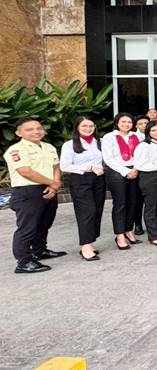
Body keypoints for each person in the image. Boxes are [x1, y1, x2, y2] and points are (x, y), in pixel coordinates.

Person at [4, 118, 64, 273]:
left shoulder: (48, 147)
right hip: (28, 191)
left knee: (44, 222)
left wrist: (54, 183)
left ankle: (39, 251)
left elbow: (56, 166)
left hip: (49, 188)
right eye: (29, 129)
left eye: (39, 128)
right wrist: (53, 183)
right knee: (27, 227)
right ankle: (23, 261)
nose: (36, 131)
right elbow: (25, 171)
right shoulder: (16, 149)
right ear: (18, 132)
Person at [59, 116, 106, 261]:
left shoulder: (99, 142)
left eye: (91, 126)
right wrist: (88, 167)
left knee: (97, 210)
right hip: (80, 180)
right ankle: (85, 246)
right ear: (77, 128)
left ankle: (90, 242)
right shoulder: (69, 144)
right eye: (84, 126)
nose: (88, 129)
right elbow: (64, 166)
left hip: (99, 179)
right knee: (87, 211)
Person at [102, 113, 144, 250]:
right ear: (117, 122)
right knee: (120, 204)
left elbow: (141, 154)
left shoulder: (137, 136)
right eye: (123, 121)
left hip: (135, 169)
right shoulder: (109, 137)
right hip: (117, 172)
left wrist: (136, 169)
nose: (126, 124)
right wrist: (126, 171)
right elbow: (108, 158)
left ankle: (129, 230)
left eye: (129, 122)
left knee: (133, 202)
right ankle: (119, 235)